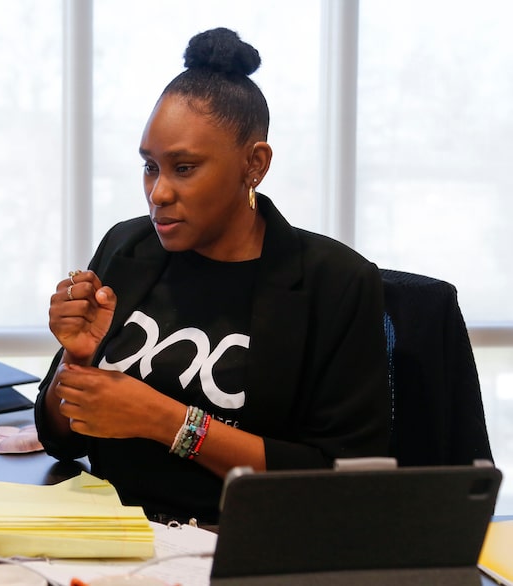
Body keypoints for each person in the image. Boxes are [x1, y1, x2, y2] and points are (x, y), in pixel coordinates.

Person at [34, 27, 391, 524]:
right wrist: (77, 362)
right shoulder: (128, 245)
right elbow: (60, 437)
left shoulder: (334, 283)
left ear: (255, 165)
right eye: (149, 167)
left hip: (240, 543)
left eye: (184, 168)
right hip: (108, 534)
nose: (157, 192)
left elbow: (340, 477)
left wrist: (165, 421)